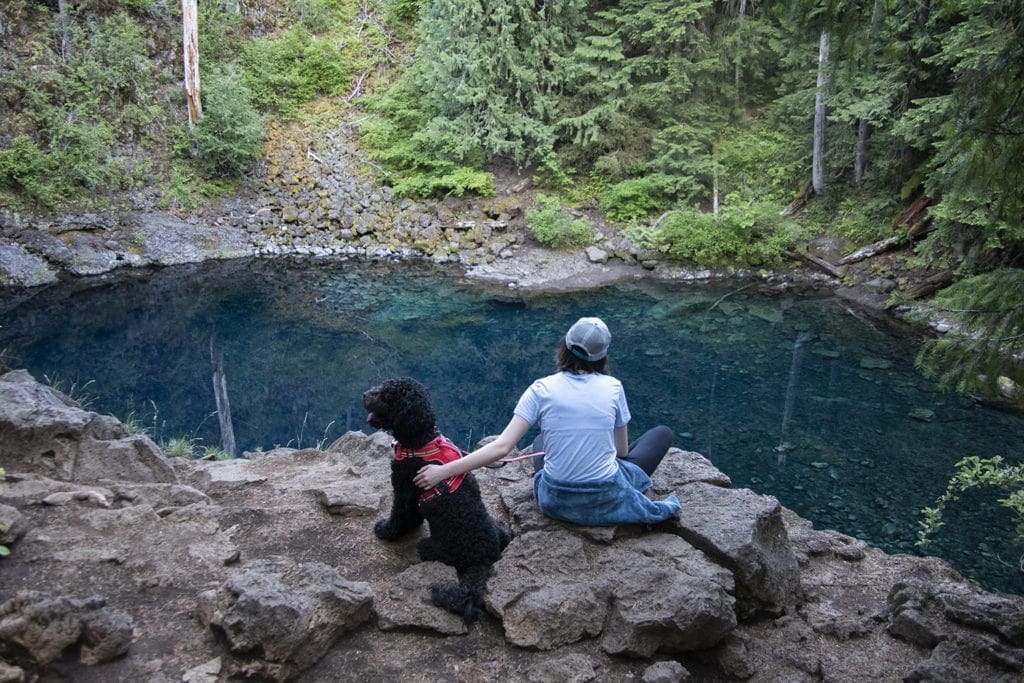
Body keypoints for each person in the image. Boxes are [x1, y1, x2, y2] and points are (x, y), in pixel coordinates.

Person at [414, 316, 680, 526]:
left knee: (541, 440)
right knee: (662, 433)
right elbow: (621, 452)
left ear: (564, 346)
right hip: (605, 496)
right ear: (602, 356)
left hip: (555, 501)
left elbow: (501, 448)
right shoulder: (613, 387)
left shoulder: (540, 389)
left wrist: (442, 471)